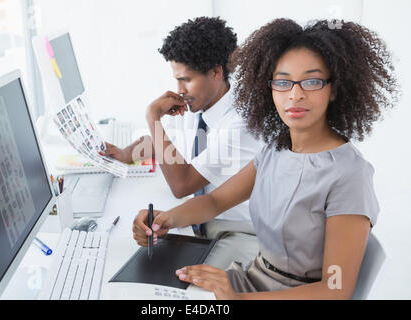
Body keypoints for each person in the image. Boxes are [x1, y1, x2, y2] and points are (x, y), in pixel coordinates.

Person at [132, 18, 399, 299]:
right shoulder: (276, 149)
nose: (295, 95)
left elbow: (336, 290)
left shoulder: (349, 175)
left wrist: (239, 299)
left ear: (334, 88)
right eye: (282, 82)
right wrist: (164, 221)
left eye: (311, 81)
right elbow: (215, 201)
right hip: (253, 279)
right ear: (268, 88)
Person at [101, 17, 261, 268]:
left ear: (216, 72)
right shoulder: (200, 103)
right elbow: (165, 141)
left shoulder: (239, 123)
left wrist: (152, 116)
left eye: (186, 79)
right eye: (176, 79)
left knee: (175, 281)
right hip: (203, 218)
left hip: (238, 231)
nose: (179, 89)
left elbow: (182, 185)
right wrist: (125, 153)